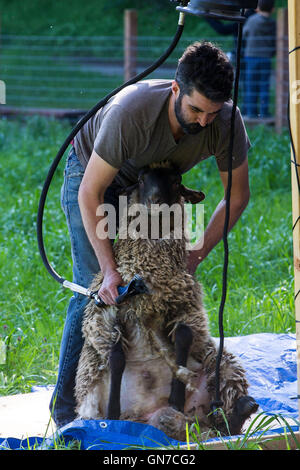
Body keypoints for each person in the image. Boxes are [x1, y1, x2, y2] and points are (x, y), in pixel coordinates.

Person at [49, 40, 251, 428]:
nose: (203, 122)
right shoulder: (133, 114)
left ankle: (165, 393)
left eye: (212, 113)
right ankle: (66, 413)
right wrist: (109, 271)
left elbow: (237, 196)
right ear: (176, 89)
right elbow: (89, 193)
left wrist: (196, 254)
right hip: (95, 178)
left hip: (157, 186)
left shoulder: (224, 121)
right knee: (99, 289)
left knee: (164, 285)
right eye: (195, 110)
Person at [243, 0, 276, 118]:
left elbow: (245, 33)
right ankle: (264, 112)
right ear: (273, 9)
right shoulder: (273, 23)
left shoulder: (252, 20)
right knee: (264, 85)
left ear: (257, 8)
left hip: (251, 56)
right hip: (266, 57)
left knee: (251, 85)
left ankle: (251, 113)